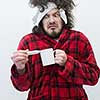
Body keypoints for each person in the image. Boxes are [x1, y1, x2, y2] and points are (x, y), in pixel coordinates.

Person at [10, 0, 100, 100]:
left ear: (63, 17)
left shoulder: (78, 39)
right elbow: (21, 87)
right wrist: (20, 69)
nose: (51, 20)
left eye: (56, 15)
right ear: (40, 20)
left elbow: (93, 77)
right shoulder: (28, 42)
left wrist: (68, 62)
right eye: (46, 16)